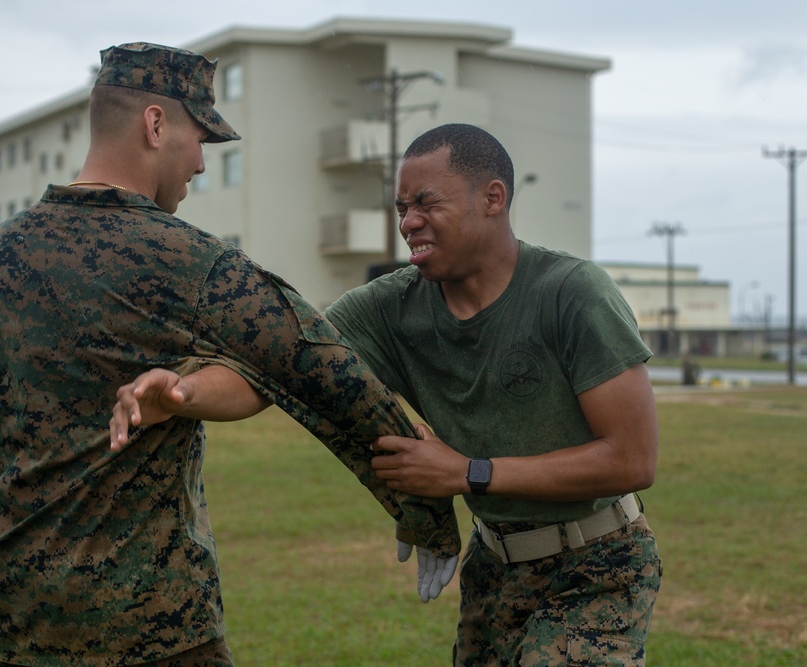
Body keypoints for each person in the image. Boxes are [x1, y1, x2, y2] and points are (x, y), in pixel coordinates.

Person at [0, 43, 459, 667]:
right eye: (200, 137)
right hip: (155, 635)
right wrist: (424, 508)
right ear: (155, 125)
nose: (202, 164)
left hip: (10, 634)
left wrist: (8, 566)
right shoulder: (183, 260)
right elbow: (321, 364)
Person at [112, 123, 662, 665]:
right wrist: (182, 393)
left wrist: (468, 472)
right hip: (495, 565)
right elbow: (272, 373)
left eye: (426, 203)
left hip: (596, 565)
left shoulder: (572, 293)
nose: (409, 223)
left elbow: (631, 460)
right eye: (401, 208)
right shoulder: (389, 307)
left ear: (493, 198)